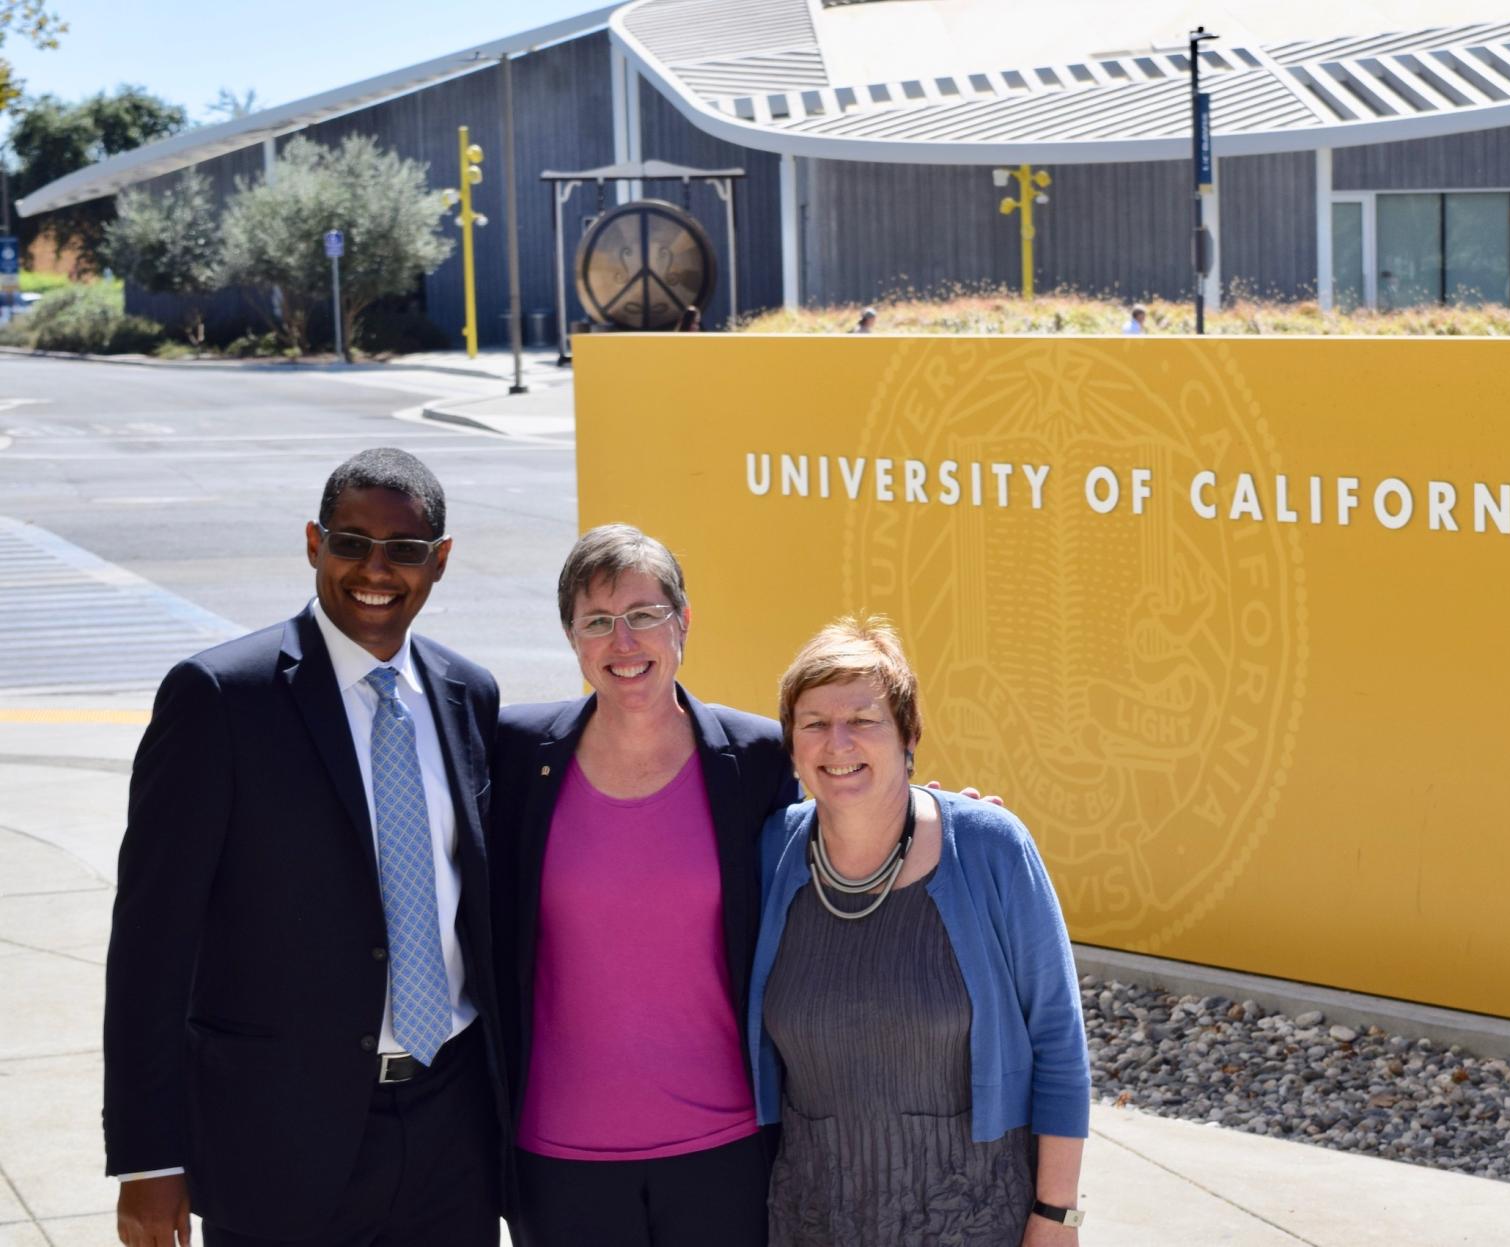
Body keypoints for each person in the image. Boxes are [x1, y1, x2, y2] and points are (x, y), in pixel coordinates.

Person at [105, 448, 503, 1247]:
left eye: (405, 548)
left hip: (450, 1131)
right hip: (276, 1141)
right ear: (314, 542)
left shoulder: (469, 694)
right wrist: (149, 1158)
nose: (375, 569)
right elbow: (150, 944)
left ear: (441, 561)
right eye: (350, 541)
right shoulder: (221, 698)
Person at [489, 525, 796, 1247]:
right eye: (597, 621)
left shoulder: (754, 758)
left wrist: (949, 818)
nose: (622, 642)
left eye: (643, 613)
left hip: (724, 1147)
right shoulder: (513, 755)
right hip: (557, 1159)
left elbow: (846, 833)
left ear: (682, 621)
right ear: (572, 638)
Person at [750, 617, 1089, 1247]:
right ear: (792, 745)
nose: (839, 742)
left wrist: (1056, 1215)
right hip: (813, 1221)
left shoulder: (990, 848)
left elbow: (1058, 1041)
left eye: (864, 719)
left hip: (974, 1219)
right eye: (815, 723)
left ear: (909, 736)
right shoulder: (770, 855)